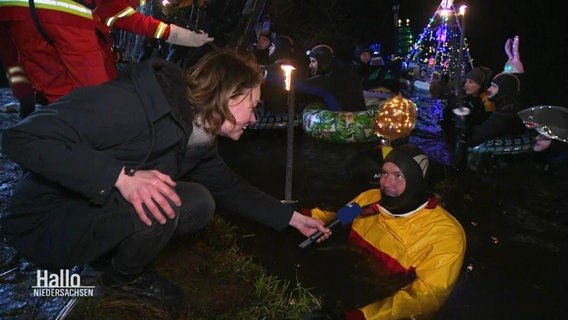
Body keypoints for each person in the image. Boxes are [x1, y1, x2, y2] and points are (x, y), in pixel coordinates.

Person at [0, 48, 330, 303]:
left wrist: (291, 219)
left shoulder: (198, 136)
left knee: (199, 202)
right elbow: (20, 138)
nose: (254, 117)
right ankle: (122, 278)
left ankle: (109, 262)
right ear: (228, 96)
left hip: (85, 209)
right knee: (164, 199)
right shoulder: (132, 104)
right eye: (252, 105)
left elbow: (231, 188)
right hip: (42, 222)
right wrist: (122, 177)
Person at [304, 144, 466, 319]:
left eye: (398, 176)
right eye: (384, 173)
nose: (387, 183)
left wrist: (362, 317)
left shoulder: (446, 236)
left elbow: (425, 298)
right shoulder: (370, 198)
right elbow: (335, 217)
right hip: (349, 277)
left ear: (415, 180)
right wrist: (299, 217)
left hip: (381, 302)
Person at [0, 0, 213, 103]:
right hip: (66, 13)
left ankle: (53, 131)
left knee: (48, 76)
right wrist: (188, 38)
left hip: (16, 10)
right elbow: (129, 17)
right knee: (99, 96)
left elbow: (124, 17)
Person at [297, 44, 366, 111]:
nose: (310, 65)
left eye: (313, 61)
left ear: (322, 61)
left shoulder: (332, 77)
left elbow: (299, 84)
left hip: (346, 120)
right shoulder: (343, 71)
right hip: (358, 117)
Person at [466, 72, 526, 147]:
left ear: (504, 90)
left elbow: (475, 137)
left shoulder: (506, 113)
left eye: (494, 86)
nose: (489, 89)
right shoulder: (509, 108)